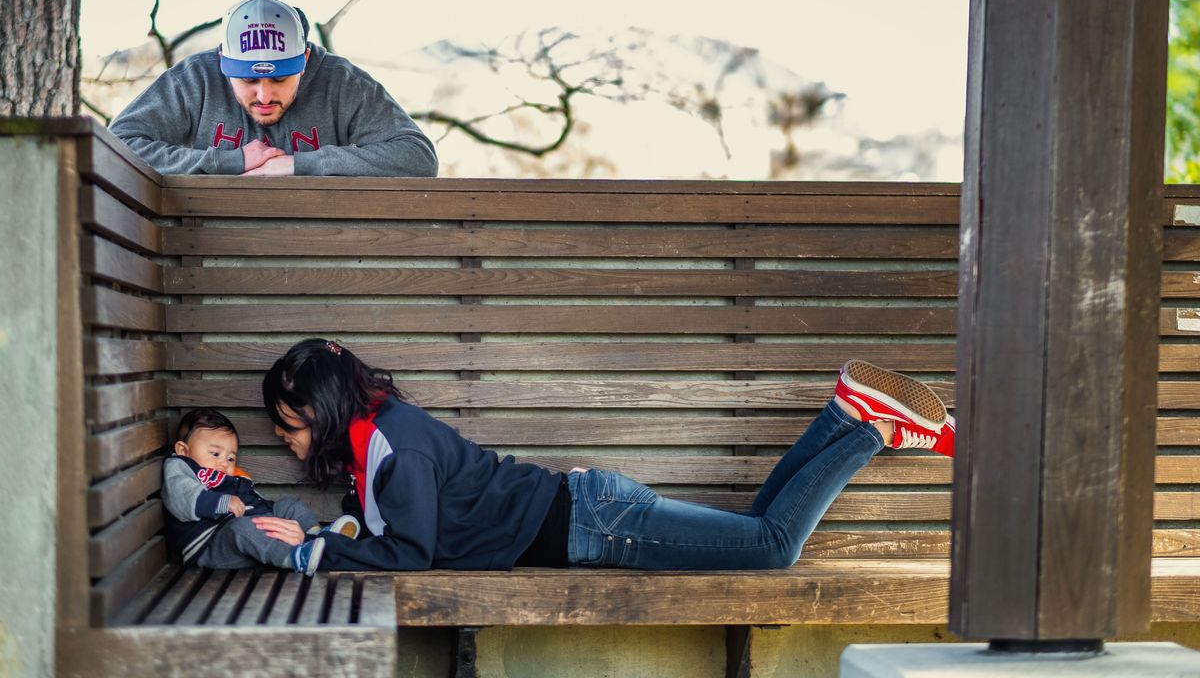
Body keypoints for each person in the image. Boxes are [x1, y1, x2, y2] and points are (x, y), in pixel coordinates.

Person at [253, 339, 955, 571]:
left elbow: (406, 551)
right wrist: (326, 532)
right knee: (758, 527)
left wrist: (308, 552)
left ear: (325, 408)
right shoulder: (380, 432)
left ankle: (873, 430)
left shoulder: (390, 450)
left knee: (772, 547)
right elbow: (379, 525)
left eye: (290, 423)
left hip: (597, 526)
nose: (285, 437)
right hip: (591, 511)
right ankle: (844, 409)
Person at [110, 0, 438, 177]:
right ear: (224, 64)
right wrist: (224, 161)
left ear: (305, 60)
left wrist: (299, 165)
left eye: (280, 79)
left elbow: (418, 157)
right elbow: (118, 145)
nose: (264, 95)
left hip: (323, 257)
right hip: (206, 254)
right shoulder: (197, 78)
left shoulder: (338, 82)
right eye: (249, 80)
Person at [162, 407, 360, 575]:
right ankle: (295, 558)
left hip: (244, 534)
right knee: (241, 528)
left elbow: (253, 501)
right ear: (183, 450)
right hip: (210, 546)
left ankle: (315, 537)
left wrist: (271, 515)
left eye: (231, 458)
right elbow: (182, 497)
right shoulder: (180, 467)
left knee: (288, 505)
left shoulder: (229, 477)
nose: (224, 462)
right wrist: (223, 502)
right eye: (215, 453)